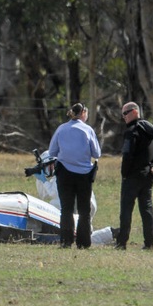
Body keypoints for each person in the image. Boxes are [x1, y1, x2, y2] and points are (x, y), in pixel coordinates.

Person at [48, 103, 101, 249]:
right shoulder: (88, 130)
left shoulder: (61, 129)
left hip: (65, 173)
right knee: (84, 210)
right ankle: (83, 242)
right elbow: (97, 153)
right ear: (83, 113)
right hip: (84, 175)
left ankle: (66, 240)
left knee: (66, 209)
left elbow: (52, 151)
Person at [116, 101, 153, 250]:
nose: (123, 117)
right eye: (122, 114)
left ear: (135, 112)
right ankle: (149, 244)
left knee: (126, 210)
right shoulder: (151, 129)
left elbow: (127, 154)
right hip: (147, 176)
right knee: (147, 210)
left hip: (132, 177)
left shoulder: (132, 131)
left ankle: (121, 243)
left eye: (126, 113)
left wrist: (124, 173)